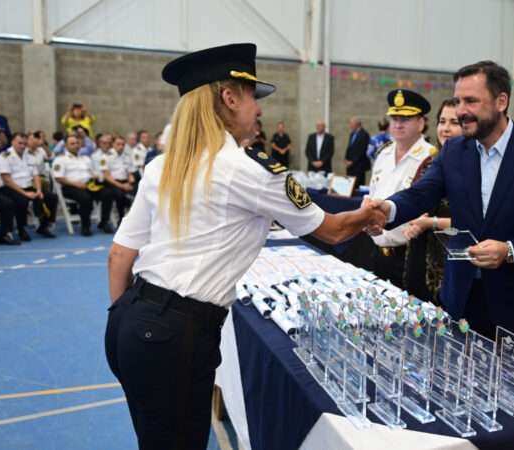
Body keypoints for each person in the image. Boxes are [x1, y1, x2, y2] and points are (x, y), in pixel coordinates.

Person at [103, 43, 383, 450]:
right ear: (229, 97)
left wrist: (125, 318)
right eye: (253, 97)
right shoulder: (249, 170)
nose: (260, 110)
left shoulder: (162, 166)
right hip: (176, 334)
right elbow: (334, 231)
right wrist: (370, 211)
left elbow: (119, 256)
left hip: (129, 324)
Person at [366, 61, 514, 365]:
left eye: (470, 101)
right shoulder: (455, 151)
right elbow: (422, 193)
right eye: (457, 101)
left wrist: (510, 250)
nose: (460, 111)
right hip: (461, 297)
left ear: (501, 101)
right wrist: (386, 209)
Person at [367, 89, 437, 289]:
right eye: (394, 118)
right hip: (377, 250)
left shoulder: (430, 158)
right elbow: (373, 196)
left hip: (409, 256)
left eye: (406, 118)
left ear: (421, 123)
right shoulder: (383, 154)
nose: (398, 124)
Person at [402, 98, 460, 302]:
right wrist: (416, 220)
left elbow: (471, 223)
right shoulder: (430, 162)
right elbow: (416, 199)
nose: (445, 129)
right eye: (442, 121)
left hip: (452, 260)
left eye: (454, 122)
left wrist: (430, 223)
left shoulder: (473, 169)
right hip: (420, 254)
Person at [0, 133, 58, 239]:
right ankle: (21, 229)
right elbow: (7, 180)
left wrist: (38, 190)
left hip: (28, 186)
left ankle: (44, 226)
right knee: (22, 200)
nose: (23, 146)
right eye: (20, 143)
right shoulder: (4, 156)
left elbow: (35, 175)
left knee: (51, 197)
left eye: (25, 143)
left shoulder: (29, 155)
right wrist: (25, 193)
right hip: (9, 188)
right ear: (12, 142)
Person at [53, 134, 116, 235]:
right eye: (72, 143)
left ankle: (104, 222)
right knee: (85, 198)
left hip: (88, 185)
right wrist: (75, 184)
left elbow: (92, 172)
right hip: (70, 186)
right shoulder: (60, 159)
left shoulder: (85, 159)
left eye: (77, 143)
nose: (76, 145)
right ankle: (85, 226)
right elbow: (58, 178)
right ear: (66, 146)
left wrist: (96, 176)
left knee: (108, 193)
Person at [104, 135, 134, 221]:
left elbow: (129, 173)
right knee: (120, 195)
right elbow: (107, 176)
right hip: (112, 183)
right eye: (118, 144)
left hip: (125, 182)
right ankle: (121, 219)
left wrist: (130, 180)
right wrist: (122, 186)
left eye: (123, 144)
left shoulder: (127, 156)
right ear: (113, 144)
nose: (121, 146)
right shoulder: (107, 156)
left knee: (139, 190)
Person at [344, 117, 371, 192]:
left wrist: (352, 162)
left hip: (359, 166)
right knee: (350, 187)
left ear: (357, 124)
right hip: (350, 167)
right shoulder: (352, 134)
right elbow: (349, 147)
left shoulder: (364, 135)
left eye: (351, 124)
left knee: (357, 187)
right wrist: (346, 159)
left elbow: (362, 151)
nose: (350, 126)